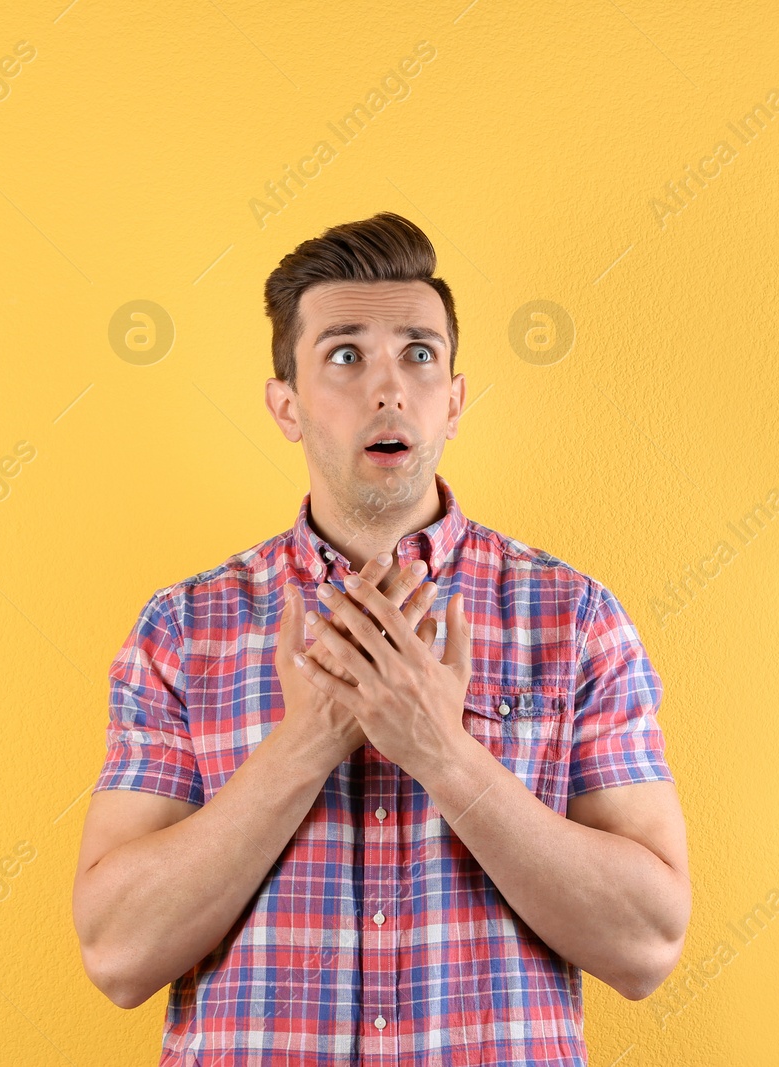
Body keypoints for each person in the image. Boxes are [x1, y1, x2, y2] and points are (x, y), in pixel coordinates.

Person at [73, 211, 690, 1065]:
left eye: (419, 352)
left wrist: (443, 751)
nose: (389, 387)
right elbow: (117, 954)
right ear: (285, 404)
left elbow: (647, 945)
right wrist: (305, 743)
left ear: (456, 398)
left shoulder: (575, 619)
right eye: (345, 354)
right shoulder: (182, 632)